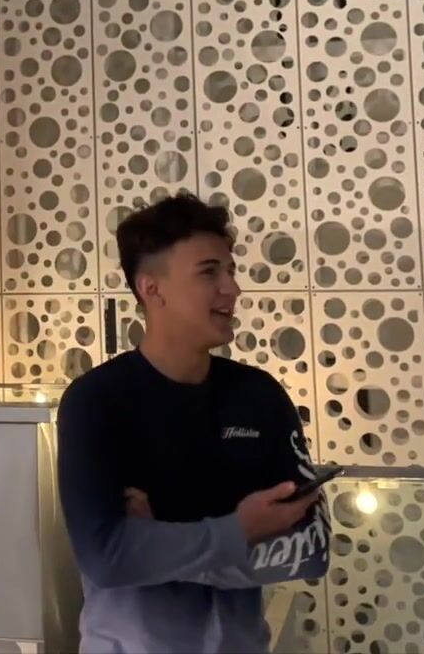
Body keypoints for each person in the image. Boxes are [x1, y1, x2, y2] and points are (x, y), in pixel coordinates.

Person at [58, 193, 329, 653]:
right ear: (152, 289)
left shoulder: (259, 395)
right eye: (209, 272)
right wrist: (241, 530)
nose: (232, 289)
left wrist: (159, 543)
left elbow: (312, 549)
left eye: (231, 271)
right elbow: (106, 558)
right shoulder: (95, 401)